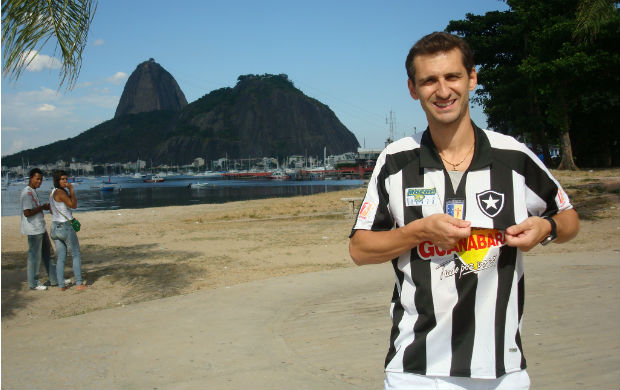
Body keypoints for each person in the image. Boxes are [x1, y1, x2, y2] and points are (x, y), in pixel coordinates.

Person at [349, 32, 580, 390]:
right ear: (413, 88)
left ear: (472, 78)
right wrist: (421, 231)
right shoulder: (395, 161)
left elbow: (569, 218)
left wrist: (545, 229)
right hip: (415, 370)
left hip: (501, 369)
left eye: (452, 77)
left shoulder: (513, 156)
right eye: (429, 81)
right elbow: (360, 249)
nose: (442, 91)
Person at [20, 168, 58, 290]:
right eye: (37, 179)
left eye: (41, 179)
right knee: (34, 257)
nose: (39, 181)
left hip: (40, 228)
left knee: (49, 255)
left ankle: (54, 279)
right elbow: (27, 212)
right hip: (33, 230)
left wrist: (43, 207)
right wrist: (42, 207)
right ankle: (33, 283)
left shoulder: (33, 191)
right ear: (31, 178)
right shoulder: (27, 193)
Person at [49, 170, 87, 291]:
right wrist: (71, 190)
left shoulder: (52, 192)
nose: (66, 181)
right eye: (63, 179)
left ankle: (61, 285)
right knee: (76, 254)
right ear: (57, 180)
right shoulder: (60, 192)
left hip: (54, 226)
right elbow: (73, 205)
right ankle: (79, 284)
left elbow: (51, 210)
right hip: (65, 226)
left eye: (66, 179)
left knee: (61, 257)